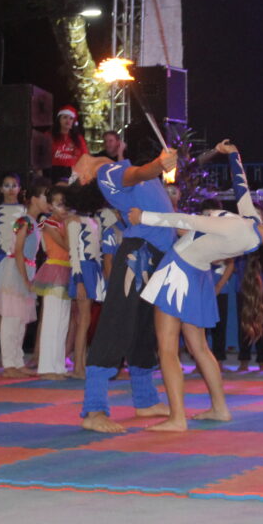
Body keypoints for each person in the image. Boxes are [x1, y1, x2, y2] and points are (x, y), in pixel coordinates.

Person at [133, 141, 263, 430]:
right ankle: (219, 408)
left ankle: (177, 418)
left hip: (180, 272)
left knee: (168, 349)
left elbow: (190, 221)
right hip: (196, 274)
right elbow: (242, 192)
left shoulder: (243, 231)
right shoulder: (252, 225)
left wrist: (143, 218)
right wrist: (234, 156)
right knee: (199, 347)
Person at [70, 142, 178, 433]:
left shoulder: (113, 167)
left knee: (142, 328)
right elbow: (138, 174)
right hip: (138, 253)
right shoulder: (106, 172)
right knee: (116, 323)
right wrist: (159, 164)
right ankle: (94, 409)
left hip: (154, 252)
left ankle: (145, 400)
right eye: (74, 171)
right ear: (84, 178)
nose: (77, 162)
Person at [0, 179, 48, 377]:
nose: (48, 201)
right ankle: (9, 364)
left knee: (21, 320)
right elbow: (18, 250)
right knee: (11, 319)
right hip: (16, 270)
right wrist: (24, 279)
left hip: (26, 269)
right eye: (45, 197)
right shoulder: (23, 221)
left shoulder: (35, 222)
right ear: (34, 199)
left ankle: (18, 360)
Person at [33, 185, 74, 379]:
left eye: (66, 204)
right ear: (50, 206)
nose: (63, 208)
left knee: (63, 321)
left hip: (67, 270)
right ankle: (46, 367)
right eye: (59, 204)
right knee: (51, 320)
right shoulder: (47, 222)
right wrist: (72, 224)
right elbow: (66, 244)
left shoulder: (67, 222)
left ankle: (58, 366)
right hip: (54, 270)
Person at [66, 184, 106, 379]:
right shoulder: (74, 222)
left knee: (84, 320)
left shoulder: (93, 221)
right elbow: (74, 254)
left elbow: (98, 251)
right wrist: (79, 281)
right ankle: (78, 367)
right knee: (83, 320)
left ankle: (80, 364)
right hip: (82, 270)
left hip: (92, 269)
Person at [49, 106, 89, 182]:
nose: (68, 121)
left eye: (71, 118)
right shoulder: (49, 136)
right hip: (53, 172)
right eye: (65, 117)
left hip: (73, 173)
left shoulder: (78, 138)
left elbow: (85, 156)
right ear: (59, 119)